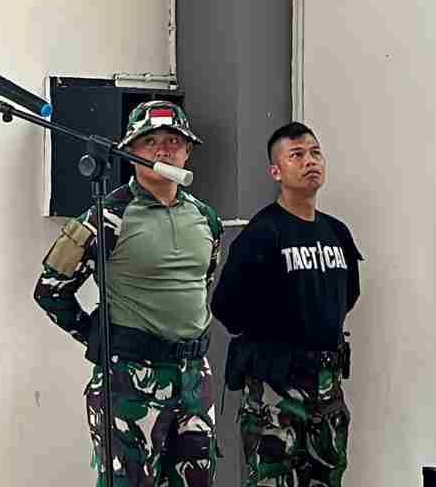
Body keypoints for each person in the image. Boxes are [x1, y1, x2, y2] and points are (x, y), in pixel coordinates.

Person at [34, 100, 224, 486]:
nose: (163, 150)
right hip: (130, 381)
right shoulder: (107, 216)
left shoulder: (206, 218)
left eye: (173, 141)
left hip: (193, 378)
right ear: (129, 150)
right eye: (150, 141)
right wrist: (99, 336)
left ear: (188, 151)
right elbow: (51, 291)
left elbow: (204, 281)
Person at [210, 121, 361, 487]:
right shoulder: (263, 234)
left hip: (326, 388)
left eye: (315, 153)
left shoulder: (336, 232)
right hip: (276, 387)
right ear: (276, 172)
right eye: (296, 155)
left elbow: (348, 295)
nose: (310, 161)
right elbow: (226, 306)